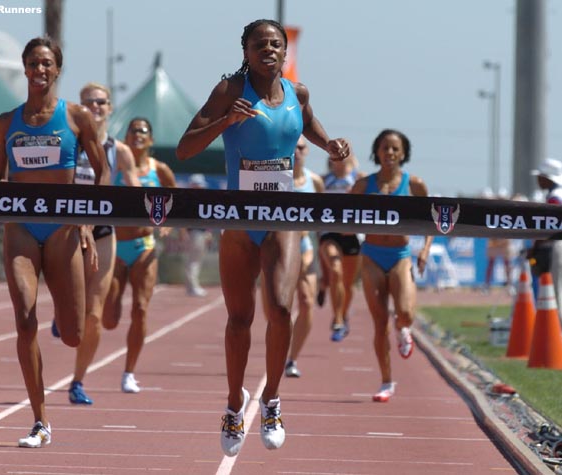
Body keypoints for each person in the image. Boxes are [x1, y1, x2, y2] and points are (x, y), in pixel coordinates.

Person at [175, 19, 351, 456]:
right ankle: (235, 404)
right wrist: (226, 121)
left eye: (276, 43)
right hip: (238, 218)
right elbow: (184, 149)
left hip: (282, 215)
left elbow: (307, 123)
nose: (269, 50)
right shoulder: (228, 91)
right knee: (239, 321)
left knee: (283, 307)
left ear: (284, 51)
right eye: (260, 44)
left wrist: (330, 145)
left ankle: (271, 399)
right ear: (246, 51)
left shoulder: (298, 93)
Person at [0, 37, 110, 447]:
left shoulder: (76, 117)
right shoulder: (7, 123)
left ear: (57, 70)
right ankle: (40, 420)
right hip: (21, 229)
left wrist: (88, 225)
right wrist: (1, 211)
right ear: (24, 69)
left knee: (75, 334)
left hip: (63, 231)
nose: (39, 70)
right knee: (25, 321)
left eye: (46, 64)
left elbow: (103, 173)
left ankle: (64, 313)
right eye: (32, 63)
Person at [53, 82, 141, 406]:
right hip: (68, 230)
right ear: (79, 105)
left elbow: (134, 189)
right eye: (88, 101)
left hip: (103, 230)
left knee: (94, 314)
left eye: (101, 102)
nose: (95, 107)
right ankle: (62, 310)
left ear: (110, 107)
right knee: (71, 311)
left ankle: (77, 381)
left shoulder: (120, 150)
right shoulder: (68, 143)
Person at [351, 129, 431, 403]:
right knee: (380, 323)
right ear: (377, 152)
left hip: (400, 254)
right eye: (385, 148)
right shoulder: (364, 185)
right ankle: (386, 381)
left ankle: (403, 329)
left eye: (395, 149)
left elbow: (433, 219)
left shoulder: (414, 185)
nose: (390, 154)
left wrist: (425, 249)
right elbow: (342, 213)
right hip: (372, 254)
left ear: (404, 153)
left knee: (405, 313)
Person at [102, 117, 177, 394]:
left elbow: (177, 200)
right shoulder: (115, 166)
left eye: (143, 131)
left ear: (151, 140)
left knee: (141, 308)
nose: (137, 135)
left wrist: (168, 223)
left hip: (144, 246)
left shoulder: (160, 170)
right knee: (109, 319)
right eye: (132, 130)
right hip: (115, 246)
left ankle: (129, 372)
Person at [284, 136, 324, 378]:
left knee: (307, 303)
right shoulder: (276, 180)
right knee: (278, 310)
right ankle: (278, 351)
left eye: (300, 147)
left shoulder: (315, 181)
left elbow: (324, 219)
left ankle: (292, 359)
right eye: (292, 147)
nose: (296, 152)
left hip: (305, 246)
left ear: (307, 150)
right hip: (279, 249)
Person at [317, 153, 364, 342]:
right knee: (335, 270)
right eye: (335, 156)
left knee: (347, 283)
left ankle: (343, 316)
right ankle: (336, 317)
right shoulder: (322, 181)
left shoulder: (358, 179)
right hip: (329, 233)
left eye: (344, 155)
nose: (339, 159)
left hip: (352, 236)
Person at [530, 157, 562, 316]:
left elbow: (548, 227)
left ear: (547, 178)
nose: (537, 180)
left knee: (557, 294)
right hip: (556, 245)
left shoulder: (555, 197)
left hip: (557, 246)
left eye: (540, 176)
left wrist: (534, 247)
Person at [180, 173, 213, 297]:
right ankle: (192, 287)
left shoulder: (201, 199)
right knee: (193, 261)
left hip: (200, 233)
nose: (201, 188)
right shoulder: (188, 200)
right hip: (194, 233)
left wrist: (208, 233)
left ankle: (191, 286)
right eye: (199, 186)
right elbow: (183, 218)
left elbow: (206, 218)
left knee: (195, 260)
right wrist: (184, 232)